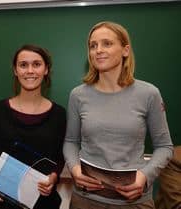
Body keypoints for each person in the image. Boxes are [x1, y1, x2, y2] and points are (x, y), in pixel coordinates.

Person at [63, 21, 174, 209]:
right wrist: (74, 169)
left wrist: (144, 176)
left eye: (107, 43)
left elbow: (164, 147)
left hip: (134, 202)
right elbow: (71, 142)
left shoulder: (149, 93)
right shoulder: (78, 95)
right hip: (85, 200)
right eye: (93, 45)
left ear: (125, 50)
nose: (98, 50)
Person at [0, 44, 66, 209]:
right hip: (1, 200)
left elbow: (59, 157)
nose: (30, 71)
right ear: (15, 70)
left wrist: (54, 177)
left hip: (42, 200)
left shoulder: (59, 113)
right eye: (23, 65)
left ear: (46, 69)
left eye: (36, 64)